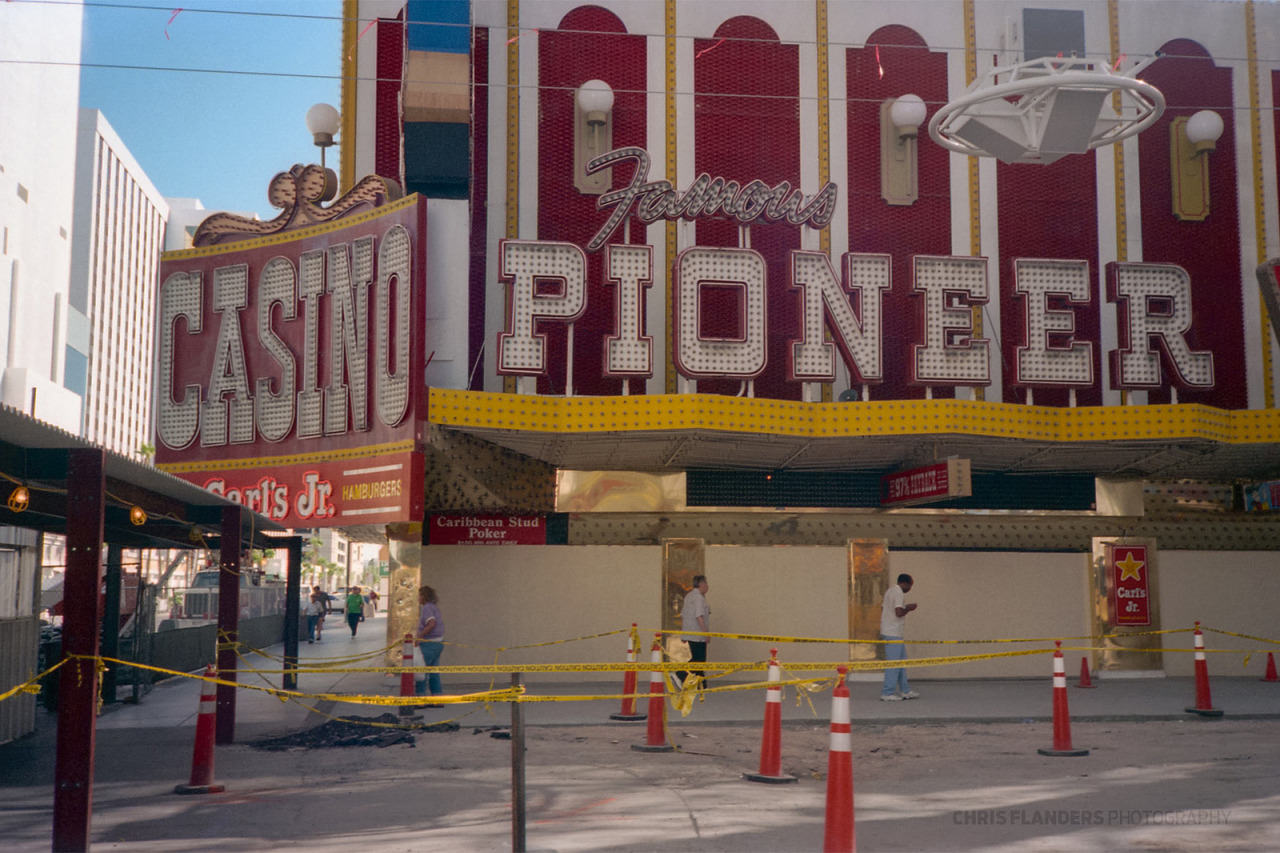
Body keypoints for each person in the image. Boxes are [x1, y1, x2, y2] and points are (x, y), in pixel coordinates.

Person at [880, 573, 919, 701]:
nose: (910, 589)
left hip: (893, 632)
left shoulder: (890, 591)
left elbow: (884, 609)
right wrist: (908, 608)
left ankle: (905, 691)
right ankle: (887, 693)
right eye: (910, 586)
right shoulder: (898, 593)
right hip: (893, 634)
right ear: (905, 583)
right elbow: (898, 612)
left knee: (901, 662)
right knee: (894, 664)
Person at [677, 575, 710, 687]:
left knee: (698, 659)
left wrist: (684, 633)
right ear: (701, 584)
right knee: (699, 660)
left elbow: (684, 615)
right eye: (706, 583)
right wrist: (706, 633)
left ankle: (701, 683)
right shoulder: (699, 598)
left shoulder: (689, 596)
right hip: (697, 634)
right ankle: (680, 674)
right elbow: (699, 616)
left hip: (690, 633)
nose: (707, 586)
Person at [415, 586, 445, 707]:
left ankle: (420, 699)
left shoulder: (426, 608)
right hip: (438, 642)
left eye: (419, 595)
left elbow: (431, 623)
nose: (418, 598)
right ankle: (437, 698)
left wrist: (419, 637)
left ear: (424, 596)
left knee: (421, 671)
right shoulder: (434, 607)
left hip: (429, 643)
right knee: (434, 671)